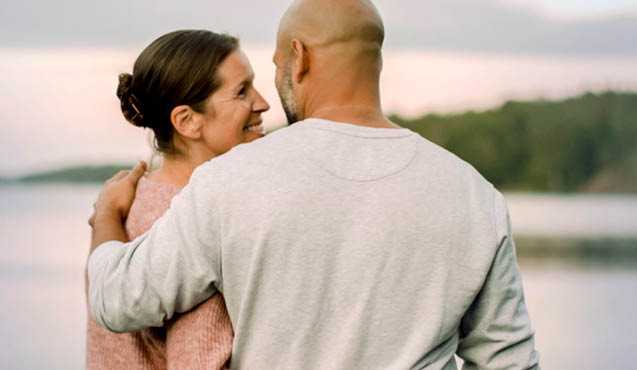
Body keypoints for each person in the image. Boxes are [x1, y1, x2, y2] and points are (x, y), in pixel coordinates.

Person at [87, 0, 541, 369]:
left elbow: (117, 300)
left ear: (299, 58)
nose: (264, 97)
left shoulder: (230, 181)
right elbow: (509, 361)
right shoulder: (473, 194)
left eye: (276, 64)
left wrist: (106, 219)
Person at [85, 30, 270, 369]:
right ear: (187, 121)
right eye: (242, 91)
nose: (262, 103)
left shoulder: (128, 207)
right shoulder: (195, 224)